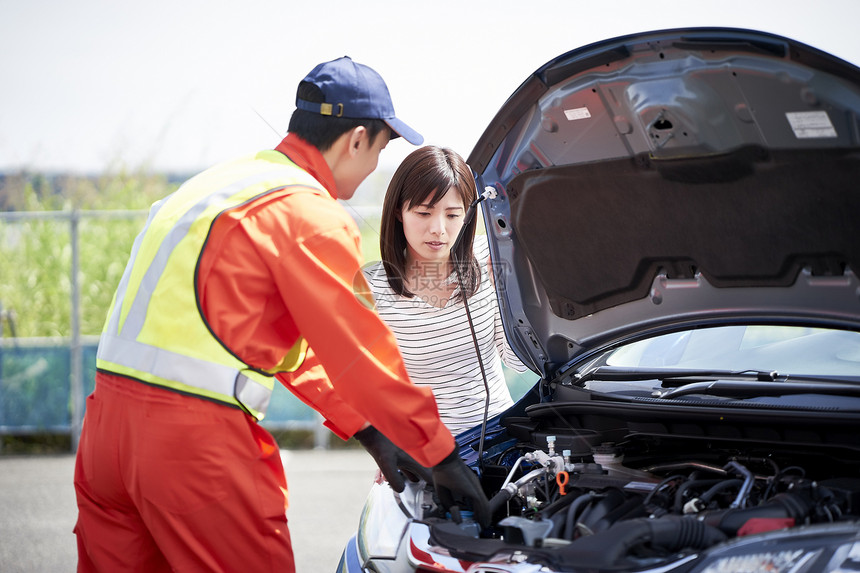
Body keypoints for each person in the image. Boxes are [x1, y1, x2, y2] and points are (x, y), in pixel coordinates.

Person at [73, 57, 489, 573]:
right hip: (193, 446)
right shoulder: (306, 211)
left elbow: (294, 353)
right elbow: (360, 353)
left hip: (105, 435)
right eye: (381, 150)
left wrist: (369, 431)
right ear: (357, 139)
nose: (374, 168)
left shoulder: (218, 186)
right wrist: (438, 453)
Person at [363, 146, 527, 436]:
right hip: (423, 450)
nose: (438, 229)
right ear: (399, 212)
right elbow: (372, 388)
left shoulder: (489, 258)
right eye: (424, 213)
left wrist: (510, 295)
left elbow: (517, 363)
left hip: (496, 439)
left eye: (453, 215)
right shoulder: (372, 286)